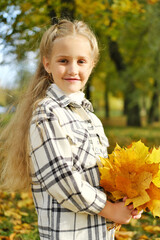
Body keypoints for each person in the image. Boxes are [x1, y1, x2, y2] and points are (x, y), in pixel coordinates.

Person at [0, 19, 142, 240]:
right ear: (47, 64)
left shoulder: (91, 118)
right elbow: (62, 181)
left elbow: (101, 177)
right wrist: (111, 210)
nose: (73, 69)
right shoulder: (46, 113)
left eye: (81, 61)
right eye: (63, 60)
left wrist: (126, 202)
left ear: (92, 64)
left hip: (97, 233)